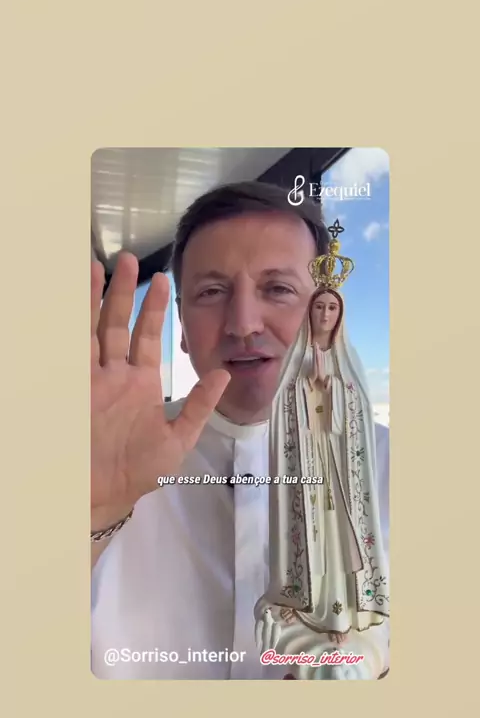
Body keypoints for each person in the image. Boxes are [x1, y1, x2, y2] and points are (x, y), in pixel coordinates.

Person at [91, 181, 389, 679]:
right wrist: (90, 518)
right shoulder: (104, 455)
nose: (244, 323)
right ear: (182, 327)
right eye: (212, 292)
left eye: (278, 289)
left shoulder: (386, 464)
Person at [254, 230, 389, 679]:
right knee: (308, 534)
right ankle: (302, 602)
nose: (326, 314)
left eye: (332, 308)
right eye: (319, 307)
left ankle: (342, 613)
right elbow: (284, 411)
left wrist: (334, 392)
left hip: (340, 471)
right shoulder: (296, 364)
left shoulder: (349, 363)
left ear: (341, 313)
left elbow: (356, 412)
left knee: (338, 537)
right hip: (307, 467)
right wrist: (307, 389)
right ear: (309, 311)